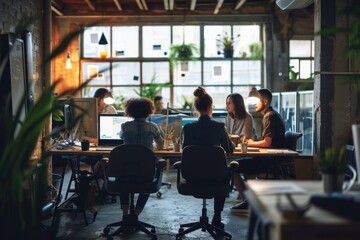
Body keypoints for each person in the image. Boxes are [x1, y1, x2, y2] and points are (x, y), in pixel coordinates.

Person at [182, 86, 234, 232]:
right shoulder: (219, 127)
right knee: (222, 174)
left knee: (218, 173)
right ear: (211, 107)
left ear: (196, 107)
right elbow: (229, 148)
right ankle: (217, 217)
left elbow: (184, 151)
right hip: (215, 178)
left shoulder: (188, 128)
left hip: (192, 177)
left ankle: (216, 217)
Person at [230, 88, 285, 213]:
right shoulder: (271, 115)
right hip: (271, 158)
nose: (254, 104)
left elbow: (267, 142)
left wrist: (250, 143)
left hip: (272, 160)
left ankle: (247, 201)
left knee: (233, 166)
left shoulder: (270, 117)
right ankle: (249, 201)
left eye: (257, 101)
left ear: (265, 102)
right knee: (247, 165)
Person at [119, 97, 164, 218]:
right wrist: (151, 145)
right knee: (148, 185)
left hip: (126, 171)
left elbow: (121, 139)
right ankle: (136, 213)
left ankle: (125, 213)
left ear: (130, 111)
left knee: (122, 181)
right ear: (149, 111)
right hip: (145, 173)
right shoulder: (153, 127)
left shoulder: (124, 126)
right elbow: (161, 144)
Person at [225, 93, 254, 203]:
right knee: (226, 163)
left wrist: (232, 138)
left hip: (245, 153)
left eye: (229, 103)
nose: (227, 105)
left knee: (230, 166)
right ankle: (244, 196)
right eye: (226, 103)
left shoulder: (248, 118)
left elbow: (245, 139)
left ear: (237, 104)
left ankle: (245, 198)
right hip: (232, 151)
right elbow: (226, 135)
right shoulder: (229, 117)